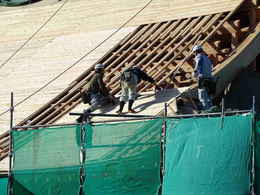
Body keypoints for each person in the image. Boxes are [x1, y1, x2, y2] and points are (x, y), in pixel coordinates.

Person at [192, 45, 213, 111]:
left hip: (202, 79)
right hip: (209, 79)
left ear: (196, 52)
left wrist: (194, 74)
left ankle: (207, 112)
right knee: (209, 97)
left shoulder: (199, 57)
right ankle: (212, 110)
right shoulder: (207, 58)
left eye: (194, 53)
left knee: (202, 97)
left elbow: (197, 66)